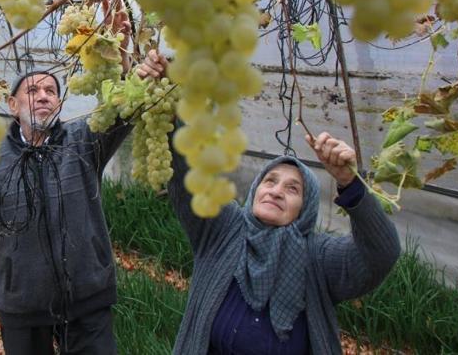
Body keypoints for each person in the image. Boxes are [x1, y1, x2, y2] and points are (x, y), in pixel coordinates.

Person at [0, 23, 165, 353]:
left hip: (87, 299)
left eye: (51, 91)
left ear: (60, 105)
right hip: (23, 305)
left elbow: (121, 109)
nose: (43, 96)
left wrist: (141, 75)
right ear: (13, 105)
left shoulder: (84, 141)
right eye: (32, 92)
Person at [167, 131, 401, 355]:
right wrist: (172, 113)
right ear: (256, 189)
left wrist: (350, 184)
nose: (276, 192)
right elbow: (188, 176)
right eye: (270, 181)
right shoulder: (224, 230)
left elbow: (381, 253)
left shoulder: (318, 257)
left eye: (293, 189)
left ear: (305, 207)